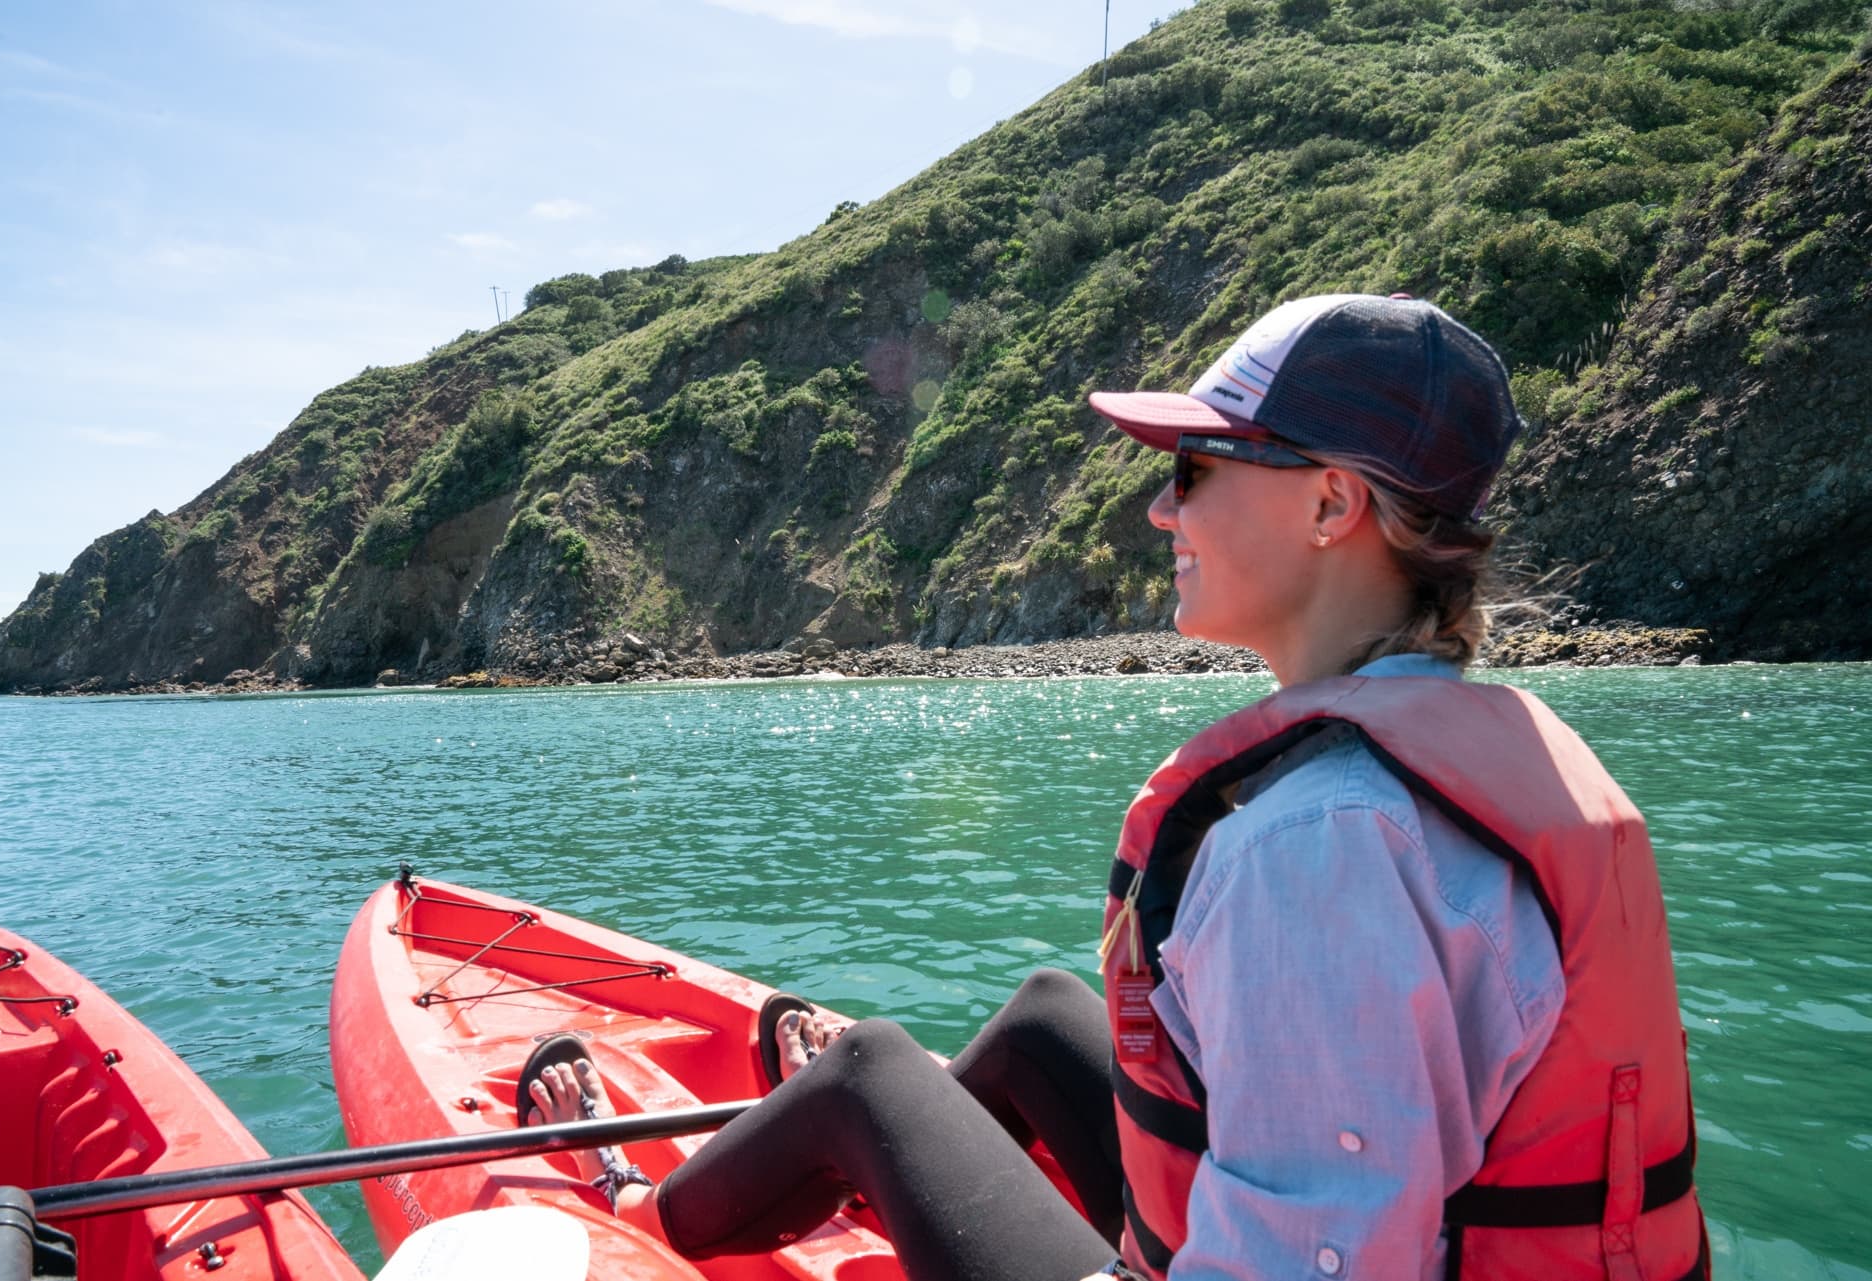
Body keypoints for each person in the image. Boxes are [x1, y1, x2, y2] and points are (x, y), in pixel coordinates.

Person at [524, 294, 1707, 1280]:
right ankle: (857, 1169)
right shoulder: (1487, 741)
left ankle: (630, 1211)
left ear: (1332, 505)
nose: (1160, 506)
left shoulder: (1318, 841)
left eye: (1194, 468)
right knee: (1048, 1009)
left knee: (873, 1075)